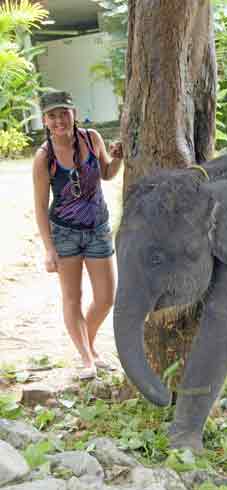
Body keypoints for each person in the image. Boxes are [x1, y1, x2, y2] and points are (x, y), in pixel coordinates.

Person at [33, 90, 123, 380]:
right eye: (52, 115)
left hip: (98, 229)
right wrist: (49, 249)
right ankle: (86, 358)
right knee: (73, 297)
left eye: (64, 113)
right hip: (65, 234)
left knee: (106, 297)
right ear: (45, 121)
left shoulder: (91, 138)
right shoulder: (44, 158)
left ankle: (90, 344)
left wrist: (118, 158)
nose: (59, 120)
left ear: (73, 113)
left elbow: (107, 173)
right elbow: (39, 207)